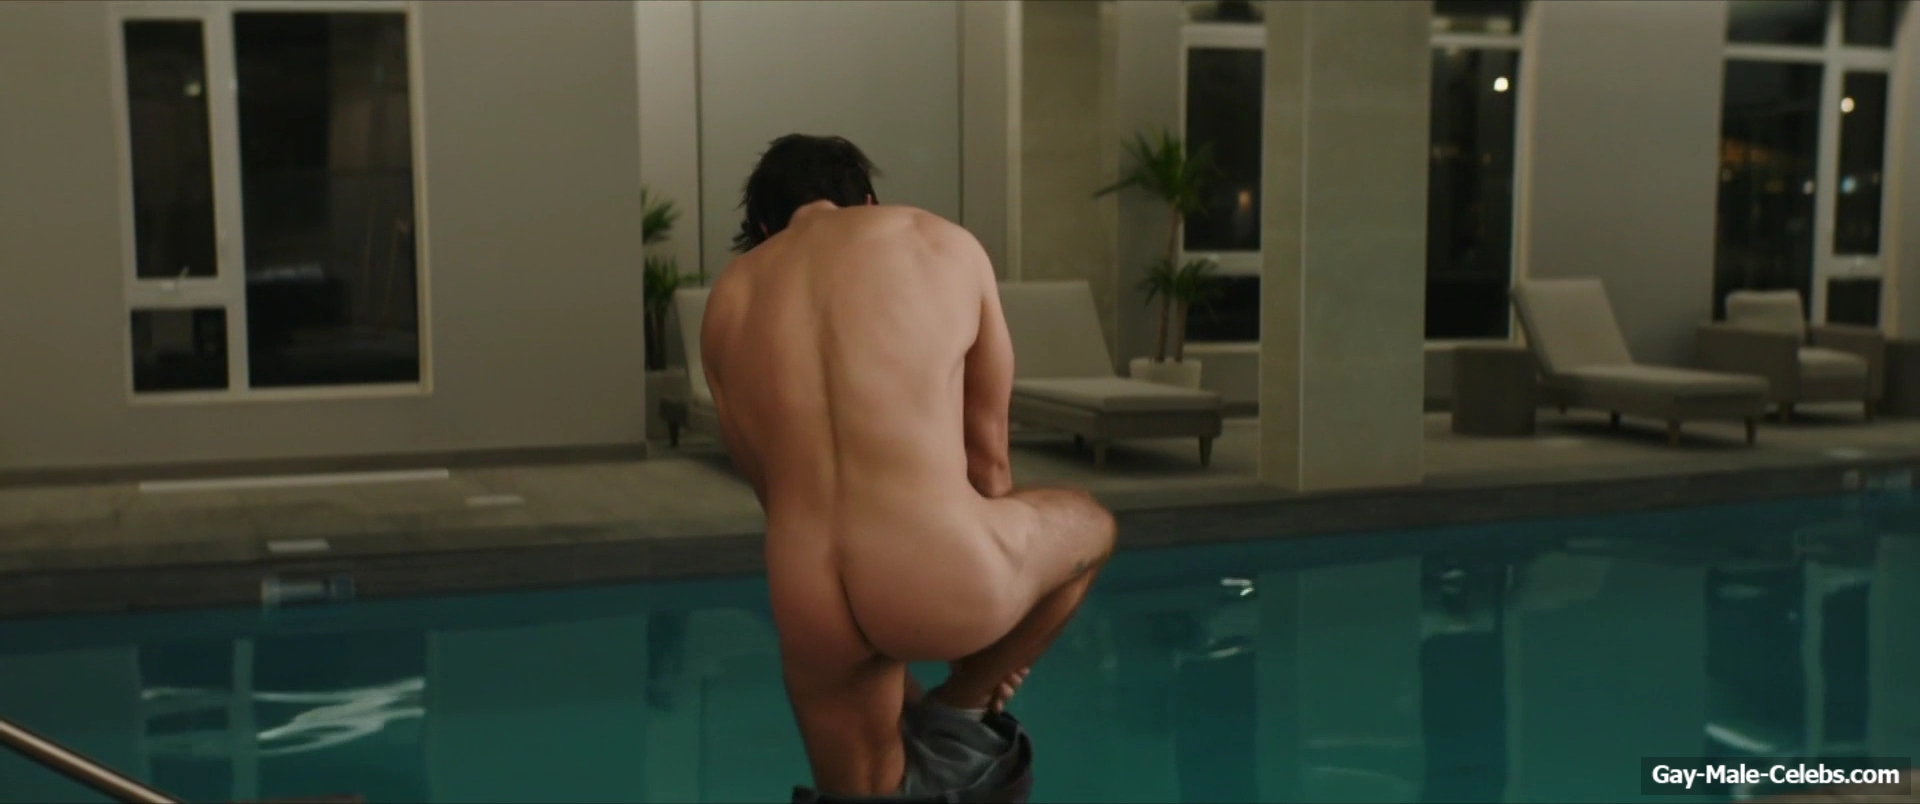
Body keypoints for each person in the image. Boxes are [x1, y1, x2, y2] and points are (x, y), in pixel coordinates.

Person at [700, 134, 1117, 802]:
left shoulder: (729, 299)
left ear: (765, 230)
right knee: (1090, 524)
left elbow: (771, 488)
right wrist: (984, 644)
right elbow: (989, 461)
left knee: (867, 788)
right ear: (867, 202)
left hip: (808, 598)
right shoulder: (938, 242)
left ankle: (931, 715)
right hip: (938, 567)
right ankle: (964, 705)